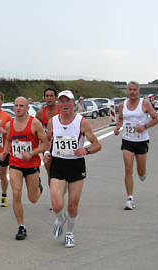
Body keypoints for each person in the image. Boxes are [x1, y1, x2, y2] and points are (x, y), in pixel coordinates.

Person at [44, 90, 101, 248]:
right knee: (56, 205)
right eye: (61, 101)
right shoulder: (52, 121)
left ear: (74, 103)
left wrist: (86, 150)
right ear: (58, 104)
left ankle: (69, 233)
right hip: (58, 164)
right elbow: (49, 141)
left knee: (72, 206)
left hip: (76, 165)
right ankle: (61, 219)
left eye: (68, 101)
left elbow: (97, 145)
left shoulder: (82, 122)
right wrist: (48, 153)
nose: (64, 104)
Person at [0, 97, 50, 240]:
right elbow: (9, 140)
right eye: (16, 105)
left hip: (32, 164)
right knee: (16, 193)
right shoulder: (9, 124)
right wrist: (5, 152)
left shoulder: (34, 123)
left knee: (33, 199)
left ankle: (39, 187)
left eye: (21, 105)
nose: (18, 108)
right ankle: (21, 226)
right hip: (15, 163)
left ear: (27, 108)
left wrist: (32, 153)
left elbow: (45, 144)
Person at [114, 81, 158, 210]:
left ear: (138, 91)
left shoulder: (144, 103)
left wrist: (144, 126)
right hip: (127, 140)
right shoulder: (123, 104)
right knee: (128, 169)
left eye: (134, 90)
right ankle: (129, 198)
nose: (132, 92)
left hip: (142, 140)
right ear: (127, 91)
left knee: (140, 171)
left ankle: (142, 172)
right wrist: (118, 128)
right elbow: (121, 118)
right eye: (130, 89)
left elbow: (156, 119)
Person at [36, 88, 60, 210]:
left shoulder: (61, 110)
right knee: (50, 172)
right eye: (47, 96)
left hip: (61, 146)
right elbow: (36, 129)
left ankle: (60, 193)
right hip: (47, 146)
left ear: (55, 98)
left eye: (51, 96)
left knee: (62, 173)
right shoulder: (40, 113)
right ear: (44, 98)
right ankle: (54, 199)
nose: (49, 98)